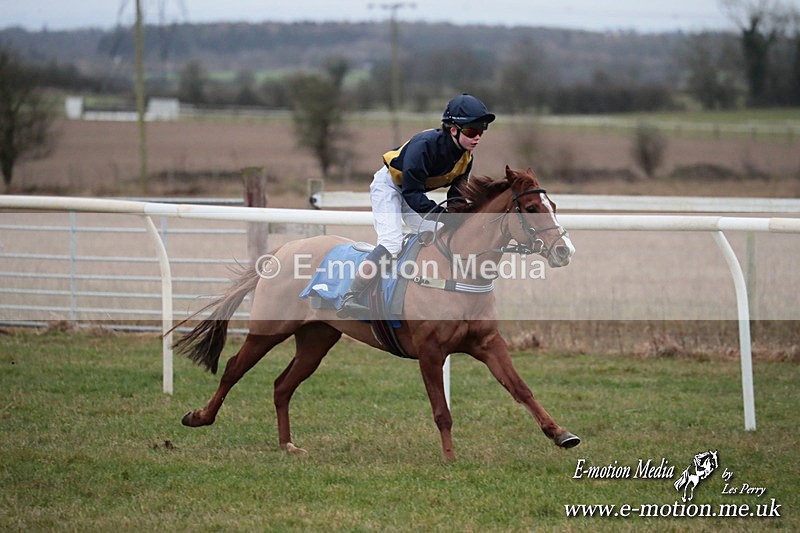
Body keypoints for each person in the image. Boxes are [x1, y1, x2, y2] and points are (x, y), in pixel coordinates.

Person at [338, 93, 495, 317]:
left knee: (443, 235)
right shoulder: (423, 146)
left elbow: (456, 196)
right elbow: (411, 193)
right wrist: (441, 214)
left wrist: (461, 218)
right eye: (471, 132)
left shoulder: (466, 157)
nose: (477, 137)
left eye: (481, 131)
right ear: (453, 130)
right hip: (390, 187)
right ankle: (351, 296)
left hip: (413, 192)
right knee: (391, 243)